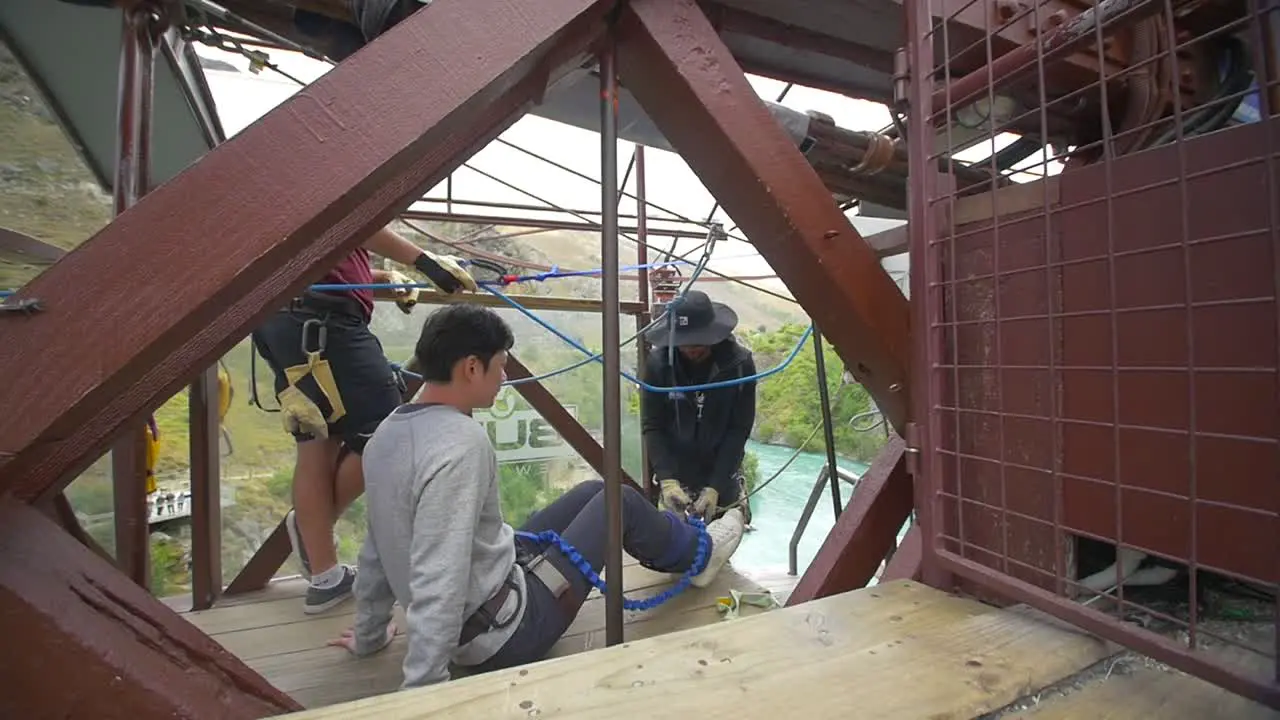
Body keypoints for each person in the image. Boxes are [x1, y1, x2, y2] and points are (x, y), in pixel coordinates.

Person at [328, 304, 745, 688]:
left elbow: (378, 544)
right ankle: (702, 554)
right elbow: (443, 571)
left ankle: (689, 547)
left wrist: (369, 634)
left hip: (486, 604)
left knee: (595, 491)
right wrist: (425, 687)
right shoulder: (460, 442)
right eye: (500, 367)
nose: (505, 379)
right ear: (472, 368)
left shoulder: (389, 432)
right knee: (619, 501)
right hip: (507, 634)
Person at [251, 226, 477, 614]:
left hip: (290, 320)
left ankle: (325, 577)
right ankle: (315, 530)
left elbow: (327, 256)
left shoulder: (286, 184)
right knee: (389, 430)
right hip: (323, 322)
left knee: (317, 441)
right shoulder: (323, 173)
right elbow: (354, 221)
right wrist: (424, 262)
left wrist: (382, 278)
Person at [640, 290, 757, 524]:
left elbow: (739, 428)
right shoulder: (658, 365)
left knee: (721, 537)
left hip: (722, 468)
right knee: (675, 542)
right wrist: (666, 479)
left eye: (699, 342)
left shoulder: (739, 365)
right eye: (684, 343)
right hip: (675, 470)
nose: (691, 349)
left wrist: (715, 486)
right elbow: (653, 425)